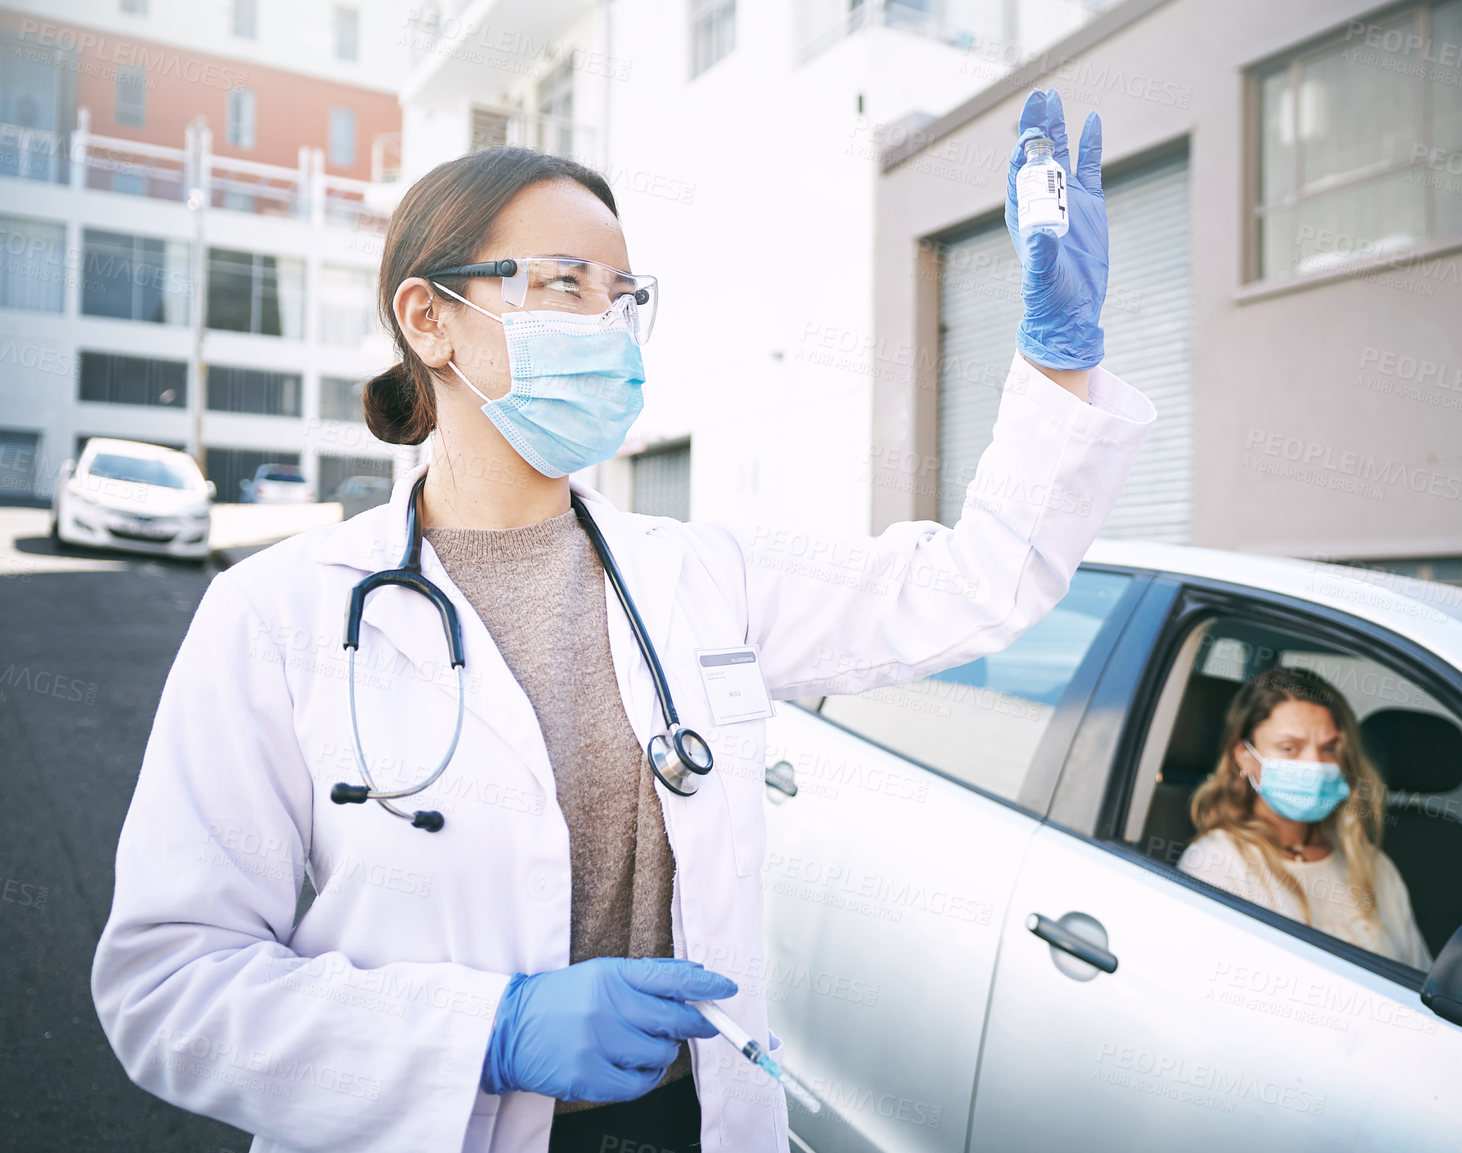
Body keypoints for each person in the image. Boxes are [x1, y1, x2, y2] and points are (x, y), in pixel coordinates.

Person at [89, 88, 1155, 1153]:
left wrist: (1060, 357)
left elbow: (973, 584)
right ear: (428, 318)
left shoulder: (698, 576)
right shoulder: (276, 614)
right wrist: (486, 1033)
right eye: (562, 285)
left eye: (624, 294)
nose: (606, 323)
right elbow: (171, 986)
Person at [1177, 666, 1432, 969]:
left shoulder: (1373, 866)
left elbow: (1418, 978)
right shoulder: (1217, 863)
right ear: (1244, 756)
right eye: (1289, 748)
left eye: (1328, 749)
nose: (1314, 764)